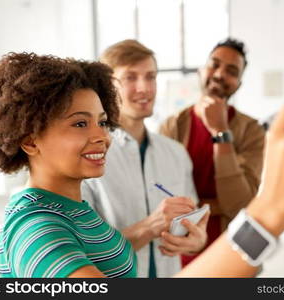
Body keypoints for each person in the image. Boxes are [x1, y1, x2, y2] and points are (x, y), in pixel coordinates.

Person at [0, 52, 284, 278]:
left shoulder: (73, 209)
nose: (101, 137)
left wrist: (157, 227)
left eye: (102, 122)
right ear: (29, 141)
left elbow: (105, 249)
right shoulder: (36, 229)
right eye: (79, 123)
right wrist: (269, 213)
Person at [81, 40, 208, 278]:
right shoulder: (89, 157)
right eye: (130, 78)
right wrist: (150, 227)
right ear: (108, 87)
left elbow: (192, 224)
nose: (144, 88)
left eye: (150, 77)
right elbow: (87, 253)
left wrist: (197, 240)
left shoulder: (176, 154)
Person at [160, 38, 265, 266]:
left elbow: (239, 204)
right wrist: (215, 205)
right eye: (214, 64)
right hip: (180, 251)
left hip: (232, 251)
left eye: (231, 71)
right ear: (201, 70)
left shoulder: (252, 131)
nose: (219, 74)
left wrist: (220, 132)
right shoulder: (172, 126)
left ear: (238, 83)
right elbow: (163, 195)